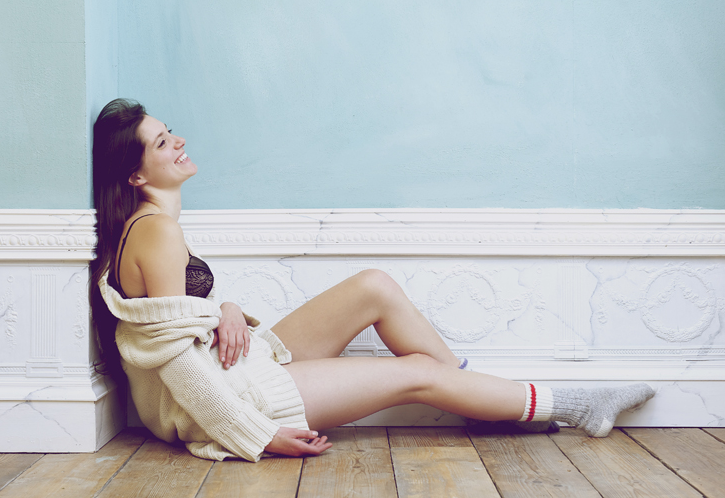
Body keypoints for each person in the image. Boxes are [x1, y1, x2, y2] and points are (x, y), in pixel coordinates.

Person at [90, 98, 655, 462]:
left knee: (374, 286)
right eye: (162, 142)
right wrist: (257, 436)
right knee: (414, 373)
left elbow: (175, 320)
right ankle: (571, 403)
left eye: (172, 132)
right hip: (232, 396)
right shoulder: (155, 232)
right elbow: (178, 362)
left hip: (237, 364)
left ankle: (488, 402)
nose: (179, 142)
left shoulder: (151, 226)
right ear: (136, 173)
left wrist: (226, 307)